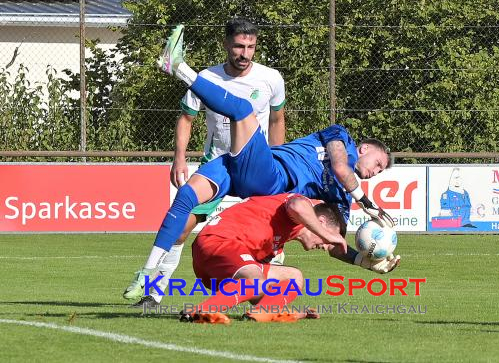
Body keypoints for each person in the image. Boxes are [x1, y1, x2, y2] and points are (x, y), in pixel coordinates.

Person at [122, 25, 395, 301]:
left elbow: (332, 242)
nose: (376, 172)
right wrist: (367, 202)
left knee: (242, 109)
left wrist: (364, 261)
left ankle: (179, 68)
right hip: (234, 163)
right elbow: (340, 167)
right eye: (379, 163)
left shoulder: (340, 199)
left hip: (267, 177)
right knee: (184, 200)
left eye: (380, 171)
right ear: (365, 148)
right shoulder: (340, 136)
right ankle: (147, 277)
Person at [125, 18, 287, 306]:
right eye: (238, 46)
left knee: (271, 233)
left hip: (256, 166)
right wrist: (179, 158)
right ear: (226, 45)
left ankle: (263, 291)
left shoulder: (271, 78)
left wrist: (277, 160)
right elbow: (186, 118)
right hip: (220, 164)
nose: (244, 53)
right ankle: (153, 292)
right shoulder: (207, 79)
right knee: (183, 224)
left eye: (251, 47)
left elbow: (277, 119)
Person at [176, 193, 400, 324]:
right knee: (256, 279)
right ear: (320, 223)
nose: (324, 246)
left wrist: (364, 262)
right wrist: (329, 235)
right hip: (220, 243)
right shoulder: (299, 204)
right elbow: (297, 205)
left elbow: (333, 248)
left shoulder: (294, 227)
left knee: (292, 278)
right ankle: (200, 311)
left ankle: (257, 316)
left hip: (217, 264)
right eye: (325, 238)